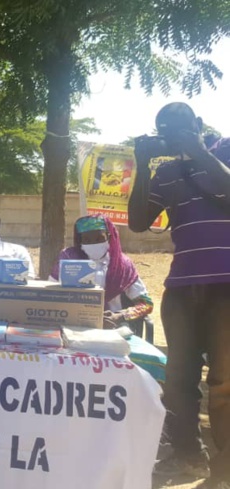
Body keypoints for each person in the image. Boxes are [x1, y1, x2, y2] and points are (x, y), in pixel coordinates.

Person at [128, 102, 230, 487]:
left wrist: (199, 151)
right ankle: (188, 456)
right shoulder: (166, 172)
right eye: (164, 130)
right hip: (182, 288)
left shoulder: (225, 150)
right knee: (179, 380)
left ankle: (225, 470)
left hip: (227, 286)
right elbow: (138, 222)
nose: (170, 135)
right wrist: (143, 164)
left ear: (199, 126)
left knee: (225, 382)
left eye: (178, 128)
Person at [49, 215, 154, 330]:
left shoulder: (122, 264)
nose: (93, 244)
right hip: (73, 326)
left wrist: (120, 316)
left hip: (113, 328)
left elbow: (147, 304)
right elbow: (50, 294)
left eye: (99, 238)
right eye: (87, 240)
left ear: (109, 237)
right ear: (80, 241)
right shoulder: (69, 259)